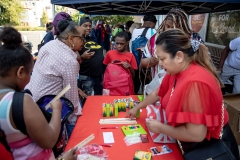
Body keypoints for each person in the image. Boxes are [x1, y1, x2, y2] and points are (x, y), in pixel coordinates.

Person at [127, 29, 239, 160]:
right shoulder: (176, 72)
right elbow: (158, 92)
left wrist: (161, 128)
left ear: (179, 56)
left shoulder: (194, 83)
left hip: (210, 149)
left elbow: (196, 134)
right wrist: (137, 108)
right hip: (194, 145)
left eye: (163, 59)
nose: (160, 64)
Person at [0, 26, 77, 159]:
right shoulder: (22, 102)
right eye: (31, 73)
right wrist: (57, 109)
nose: (31, 77)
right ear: (20, 72)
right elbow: (49, 140)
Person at [25, 20, 85, 133]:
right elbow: (71, 99)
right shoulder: (69, 61)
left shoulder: (49, 45)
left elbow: (51, 76)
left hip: (31, 101)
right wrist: (73, 123)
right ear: (71, 38)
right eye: (82, 38)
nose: (84, 41)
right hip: (48, 109)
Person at [78, 17, 104, 104]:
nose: (88, 28)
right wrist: (82, 57)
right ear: (79, 26)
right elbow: (72, 59)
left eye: (90, 26)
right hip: (87, 77)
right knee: (88, 102)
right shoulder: (77, 40)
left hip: (98, 76)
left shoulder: (92, 38)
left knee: (98, 101)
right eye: (85, 26)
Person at [131, 14, 157, 94]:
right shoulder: (153, 31)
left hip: (135, 64)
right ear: (153, 23)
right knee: (147, 88)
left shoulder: (135, 30)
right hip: (148, 65)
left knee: (136, 86)